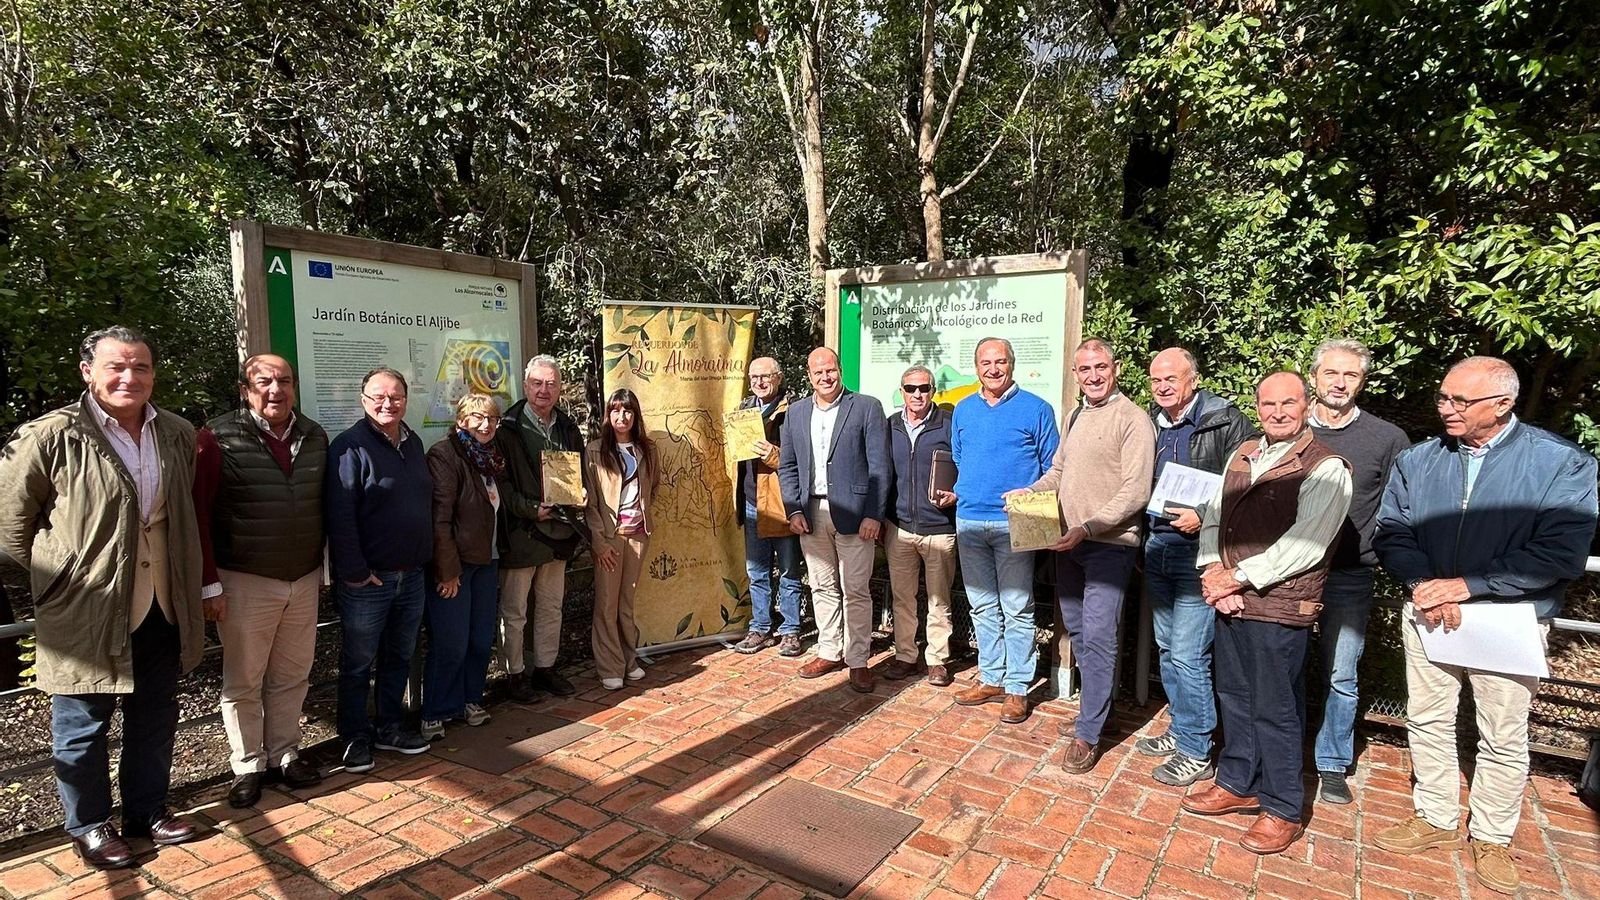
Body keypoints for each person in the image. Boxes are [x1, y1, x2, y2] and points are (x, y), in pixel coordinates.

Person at [1372, 356, 1597, 895]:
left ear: (1502, 404)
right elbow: (1392, 529)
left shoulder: (1561, 463)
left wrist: (1470, 585)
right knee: (1427, 718)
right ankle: (1436, 819)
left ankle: (1493, 836)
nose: (1446, 409)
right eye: (1443, 398)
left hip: (1508, 620)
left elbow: (1560, 552)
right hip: (1429, 609)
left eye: (1460, 401)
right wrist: (1427, 583)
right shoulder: (1421, 459)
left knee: (1502, 732)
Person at [0, 326, 206, 868]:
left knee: (154, 715)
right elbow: (9, 526)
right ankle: (89, 825)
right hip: (86, 607)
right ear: (88, 371)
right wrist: (61, 578)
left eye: (140, 367)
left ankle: (146, 810)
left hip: (163, 600)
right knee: (83, 724)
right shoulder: (51, 435)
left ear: (153, 374)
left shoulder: (178, 433)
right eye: (116, 366)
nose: (129, 377)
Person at [1180, 371, 1350, 856]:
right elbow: (1214, 516)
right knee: (1233, 693)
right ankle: (1237, 780)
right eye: (1268, 403)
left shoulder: (1326, 466)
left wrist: (1236, 578)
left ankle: (1282, 807)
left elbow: (1308, 544)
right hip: (1230, 596)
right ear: (1257, 406)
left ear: (1306, 405)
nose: (1277, 412)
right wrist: (1214, 573)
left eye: (1288, 403)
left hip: (1279, 604)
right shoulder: (1244, 453)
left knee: (1275, 708)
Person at [193, 354, 327, 809]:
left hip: (303, 577)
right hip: (245, 579)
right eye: (264, 381)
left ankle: (286, 754)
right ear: (245, 388)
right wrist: (208, 583)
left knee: (292, 675)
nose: (276, 390)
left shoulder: (313, 435)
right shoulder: (217, 437)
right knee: (244, 680)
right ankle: (248, 764)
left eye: (284, 381)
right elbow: (199, 515)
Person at [1023, 339, 1154, 760]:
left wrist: (1088, 527)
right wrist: (1029, 493)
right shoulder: (1077, 414)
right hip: (1070, 545)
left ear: (1115, 369)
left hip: (1109, 547)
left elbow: (1136, 491)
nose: (1093, 375)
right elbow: (1059, 471)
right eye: (1085, 369)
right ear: (1075, 375)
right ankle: (1101, 712)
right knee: (1080, 634)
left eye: (1101, 367)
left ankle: (1089, 735)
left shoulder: (1132, 419)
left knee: (1098, 637)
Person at [1136, 348, 1254, 786]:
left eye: (1172, 378)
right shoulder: (1149, 422)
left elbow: (1246, 485)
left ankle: (1196, 749)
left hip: (1199, 554)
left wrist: (1206, 516)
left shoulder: (1226, 420)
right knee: (1168, 650)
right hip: (1157, 546)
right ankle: (1184, 727)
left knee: (1188, 654)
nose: (1163, 386)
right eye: (1155, 380)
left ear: (1193, 379)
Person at [1305, 339, 1411, 805]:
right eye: (1331, 373)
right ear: (1314, 377)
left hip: (1350, 574)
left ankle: (1330, 762)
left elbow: (1398, 509)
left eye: (1350, 375)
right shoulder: (1286, 430)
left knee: (1340, 673)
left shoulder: (1387, 440)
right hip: (1284, 574)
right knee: (1281, 665)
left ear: (1362, 381)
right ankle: (1282, 748)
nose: (1340, 383)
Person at [325, 366, 434, 773]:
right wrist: (354, 571)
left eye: (396, 396)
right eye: (378, 396)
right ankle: (354, 737)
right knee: (358, 662)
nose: (388, 403)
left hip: (412, 575)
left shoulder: (413, 443)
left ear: (406, 399)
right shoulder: (348, 447)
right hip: (369, 580)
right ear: (363, 399)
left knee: (399, 656)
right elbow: (341, 515)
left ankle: (390, 726)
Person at [949, 338, 1060, 723]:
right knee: (980, 604)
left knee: (1017, 606)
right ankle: (992, 677)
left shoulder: (1037, 409)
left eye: (1000, 362)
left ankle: (1017, 687)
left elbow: (1052, 467)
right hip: (969, 518)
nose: (993, 369)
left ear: (1012, 364)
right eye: (985, 362)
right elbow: (960, 457)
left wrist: (1028, 496)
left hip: (1016, 520)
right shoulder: (963, 410)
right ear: (975, 367)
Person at [778, 347, 890, 693]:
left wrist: (874, 513)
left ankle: (858, 660)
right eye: (818, 372)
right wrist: (793, 509)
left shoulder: (866, 407)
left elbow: (880, 466)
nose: (826, 377)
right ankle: (830, 650)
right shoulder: (795, 413)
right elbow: (789, 466)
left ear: (840, 370)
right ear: (809, 376)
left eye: (831, 370)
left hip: (856, 516)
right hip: (810, 513)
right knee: (823, 586)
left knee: (855, 589)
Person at [496, 355, 587, 700]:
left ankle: (546, 669)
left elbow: (576, 474)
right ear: (525, 386)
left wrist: (581, 493)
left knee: (551, 606)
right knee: (515, 611)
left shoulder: (566, 426)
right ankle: (514, 674)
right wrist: (531, 509)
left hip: (559, 533)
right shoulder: (507, 428)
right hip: (522, 532)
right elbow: (501, 485)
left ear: (560, 388)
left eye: (551, 383)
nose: (543, 390)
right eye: (537, 383)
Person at [421, 394, 510, 739]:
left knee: (479, 638)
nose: (486, 425)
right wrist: (447, 571)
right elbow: (440, 519)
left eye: (492, 419)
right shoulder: (445, 455)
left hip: (487, 561)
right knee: (451, 641)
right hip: (456, 566)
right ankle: (436, 711)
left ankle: (470, 700)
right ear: (461, 420)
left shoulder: (490, 458)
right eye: (477, 417)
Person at [883, 365, 958, 686]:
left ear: (933, 391)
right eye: (911, 388)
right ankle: (905, 655)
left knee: (939, 599)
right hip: (898, 528)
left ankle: (937, 659)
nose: (917, 394)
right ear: (901, 391)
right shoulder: (889, 427)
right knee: (902, 598)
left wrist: (958, 493)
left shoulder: (949, 426)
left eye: (924, 388)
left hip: (940, 528)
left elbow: (967, 467)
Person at [585, 389, 660, 690]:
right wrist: (599, 541)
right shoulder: (594, 451)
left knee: (626, 603)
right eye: (616, 410)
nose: (622, 416)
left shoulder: (648, 449)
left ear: (635, 415)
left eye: (628, 411)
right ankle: (610, 666)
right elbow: (589, 503)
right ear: (608, 415)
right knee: (606, 604)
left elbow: (654, 486)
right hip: (609, 536)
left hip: (638, 534)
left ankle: (630, 660)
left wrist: (642, 514)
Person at [731, 357, 805, 657]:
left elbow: (803, 456)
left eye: (766, 377)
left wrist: (776, 454)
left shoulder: (794, 411)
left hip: (780, 504)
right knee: (757, 571)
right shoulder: (743, 410)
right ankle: (760, 626)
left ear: (779, 378)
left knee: (788, 570)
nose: (759, 383)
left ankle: (790, 631)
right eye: (754, 377)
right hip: (750, 502)